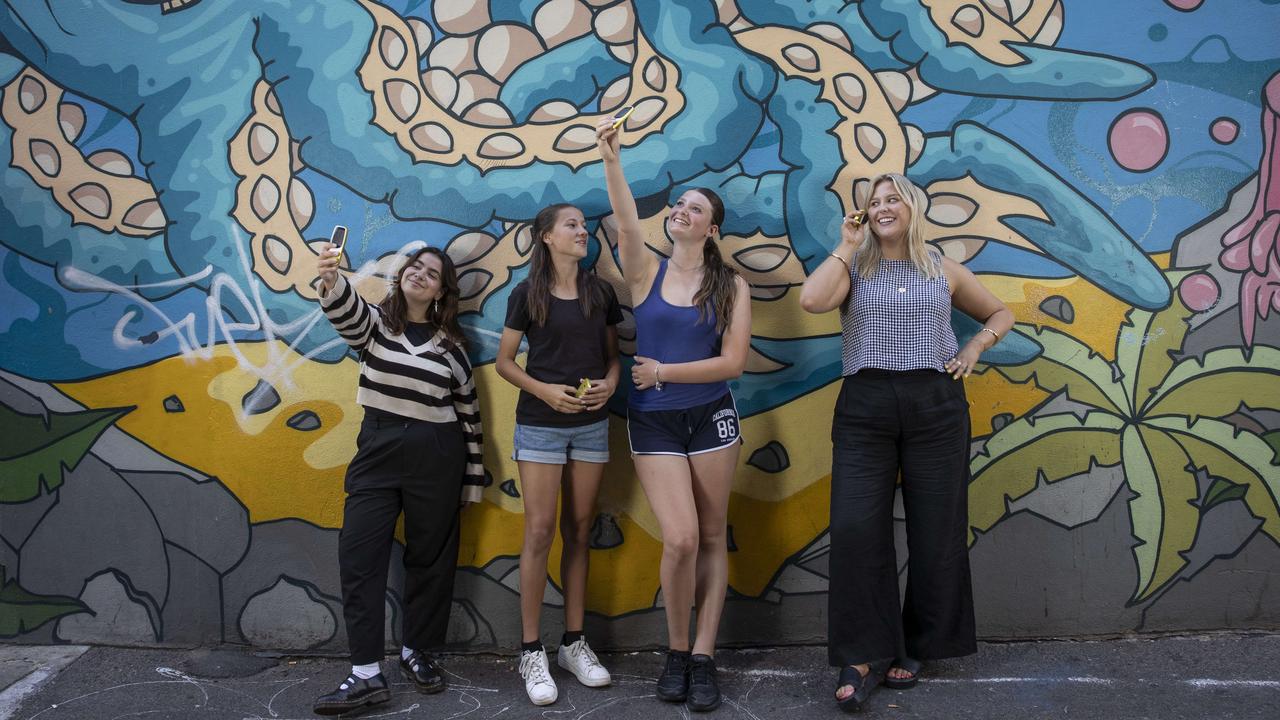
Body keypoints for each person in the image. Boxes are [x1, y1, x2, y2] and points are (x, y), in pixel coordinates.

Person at [798, 173, 1014, 711]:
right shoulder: (855, 263)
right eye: (875, 202)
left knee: (936, 529)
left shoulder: (942, 267)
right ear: (865, 216)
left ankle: (918, 645)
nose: (884, 207)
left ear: (913, 207)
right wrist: (846, 246)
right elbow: (811, 300)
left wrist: (975, 349)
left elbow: (1000, 312)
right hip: (865, 406)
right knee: (854, 528)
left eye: (893, 198)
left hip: (936, 406)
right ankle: (862, 652)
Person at [595, 118, 752, 713]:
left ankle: (706, 657)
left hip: (711, 417)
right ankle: (678, 651)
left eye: (695, 208)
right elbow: (627, 217)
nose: (682, 211)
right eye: (680, 205)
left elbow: (732, 363)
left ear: (712, 228)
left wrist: (663, 372)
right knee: (682, 537)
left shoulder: (731, 286)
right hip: (654, 421)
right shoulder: (646, 271)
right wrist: (612, 157)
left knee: (713, 535)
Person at [311, 243, 485, 716]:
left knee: (431, 559)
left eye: (433, 274)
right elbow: (343, 309)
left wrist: (471, 481)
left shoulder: (453, 348)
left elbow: (469, 415)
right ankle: (366, 673)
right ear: (403, 274)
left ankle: (417, 651)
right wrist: (330, 277)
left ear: (442, 291)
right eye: (417, 267)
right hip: (378, 450)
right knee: (359, 554)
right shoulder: (376, 325)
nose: (421, 275)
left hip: (438, 454)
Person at [495, 203, 623, 705]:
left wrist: (611, 386)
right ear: (546, 237)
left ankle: (573, 643)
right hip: (541, 427)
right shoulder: (526, 294)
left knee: (579, 530)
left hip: (591, 427)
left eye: (583, 225)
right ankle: (531, 651)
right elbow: (506, 362)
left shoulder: (601, 292)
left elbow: (614, 358)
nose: (581, 230)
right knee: (540, 530)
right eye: (571, 225)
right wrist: (545, 391)